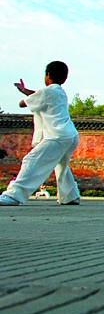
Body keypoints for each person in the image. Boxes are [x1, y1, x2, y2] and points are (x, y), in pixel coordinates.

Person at [0, 61, 81, 206]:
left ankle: (14, 195)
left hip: (57, 136)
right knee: (61, 166)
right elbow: (38, 96)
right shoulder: (59, 92)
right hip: (70, 135)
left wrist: (24, 94)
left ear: (48, 75)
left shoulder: (47, 92)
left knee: (31, 160)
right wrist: (25, 90)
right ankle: (70, 196)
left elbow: (23, 103)